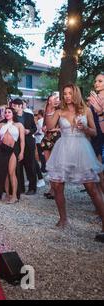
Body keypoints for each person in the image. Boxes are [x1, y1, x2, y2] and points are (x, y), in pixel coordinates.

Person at [45, 84, 104, 240]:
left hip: (81, 149)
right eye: (65, 94)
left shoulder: (86, 110)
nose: (67, 96)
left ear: (76, 94)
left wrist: (84, 128)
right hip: (63, 149)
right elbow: (50, 127)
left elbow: (95, 132)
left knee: (92, 187)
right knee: (57, 185)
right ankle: (63, 219)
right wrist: (50, 107)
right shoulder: (59, 111)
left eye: (70, 93)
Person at [0, 107, 25, 203]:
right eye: (5, 112)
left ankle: (14, 196)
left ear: (13, 113)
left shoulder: (19, 125)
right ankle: (8, 194)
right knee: (4, 173)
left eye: (9, 112)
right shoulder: (1, 124)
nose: (7, 113)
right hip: (2, 150)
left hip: (13, 149)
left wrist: (22, 152)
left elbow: (22, 141)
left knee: (11, 172)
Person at [12, 98, 38, 195]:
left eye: (15, 105)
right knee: (18, 166)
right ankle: (21, 187)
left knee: (30, 165)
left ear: (20, 106)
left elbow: (34, 128)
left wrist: (29, 131)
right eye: (13, 105)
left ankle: (32, 188)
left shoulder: (29, 116)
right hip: (17, 143)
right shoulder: (13, 117)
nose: (13, 107)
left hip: (28, 142)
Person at [41, 94, 61, 199]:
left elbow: (65, 127)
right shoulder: (46, 112)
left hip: (56, 139)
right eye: (52, 99)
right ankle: (51, 188)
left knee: (55, 165)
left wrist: (55, 129)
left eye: (56, 99)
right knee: (49, 167)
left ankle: (56, 190)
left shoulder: (60, 112)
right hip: (47, 139)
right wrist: (44, 128)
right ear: (49, 101)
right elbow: (44, 126)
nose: (55, 100)